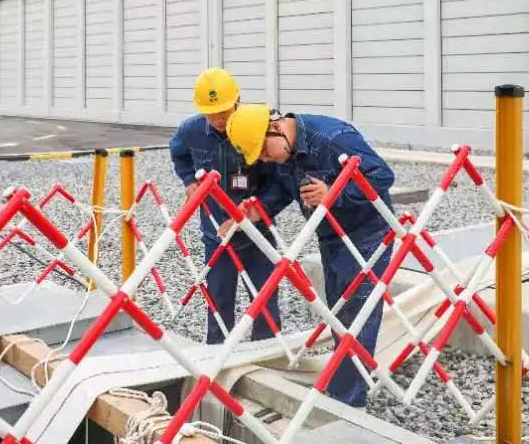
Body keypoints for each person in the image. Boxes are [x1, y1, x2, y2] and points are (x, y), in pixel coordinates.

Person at [224, 103, 395, 408]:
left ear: (274, 127)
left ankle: (347, 405)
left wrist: (335, 193)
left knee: (357, 318)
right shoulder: (284, 153)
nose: (264, 158)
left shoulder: (331, 138)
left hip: (367, 236)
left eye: (263, 150)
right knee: (338, 314)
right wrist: (253, 214)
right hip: (331, 237)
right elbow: (281, 191)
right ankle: (342, 389)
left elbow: (381, 176)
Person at [168, 68, 286, 345]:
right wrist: (189, 181)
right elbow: (179, 155)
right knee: (219, 297)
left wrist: (258, 211)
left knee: (264, 296)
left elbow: (280, 180)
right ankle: (217, 352)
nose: (218, 119)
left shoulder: (256, 127)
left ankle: (267, 351)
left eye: (224, 111)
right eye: (211, 114)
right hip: (216, 231)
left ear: (238, 101)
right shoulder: (191, 131)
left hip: (256, 231)